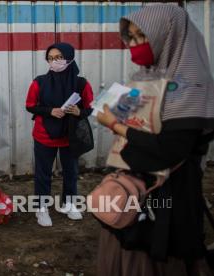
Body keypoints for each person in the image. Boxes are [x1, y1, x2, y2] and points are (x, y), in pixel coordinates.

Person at [96, 5, 214, 275]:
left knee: (154, 256)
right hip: (131, 185)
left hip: (168, 193)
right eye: (132, 37)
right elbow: (117, 116)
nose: (136, 45)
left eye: (142, 37)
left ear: (167, 35)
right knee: (125, 243)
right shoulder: (143, 77)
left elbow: (169, 150)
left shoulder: (190, 84)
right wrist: (113, 114)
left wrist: (115, 124)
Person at [25, 43, 94, 226]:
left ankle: (69, 204)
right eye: (50, 58)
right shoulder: (39, 82)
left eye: (58, 57)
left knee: (71, 171)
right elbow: (30, 106)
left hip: (70, 136)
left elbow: (90, 107)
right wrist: (50, 111)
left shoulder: (81, 83)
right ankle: (41, 209)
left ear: (69, 57)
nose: (54, 61)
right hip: (44, 135)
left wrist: (80, 112)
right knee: (43, 173)